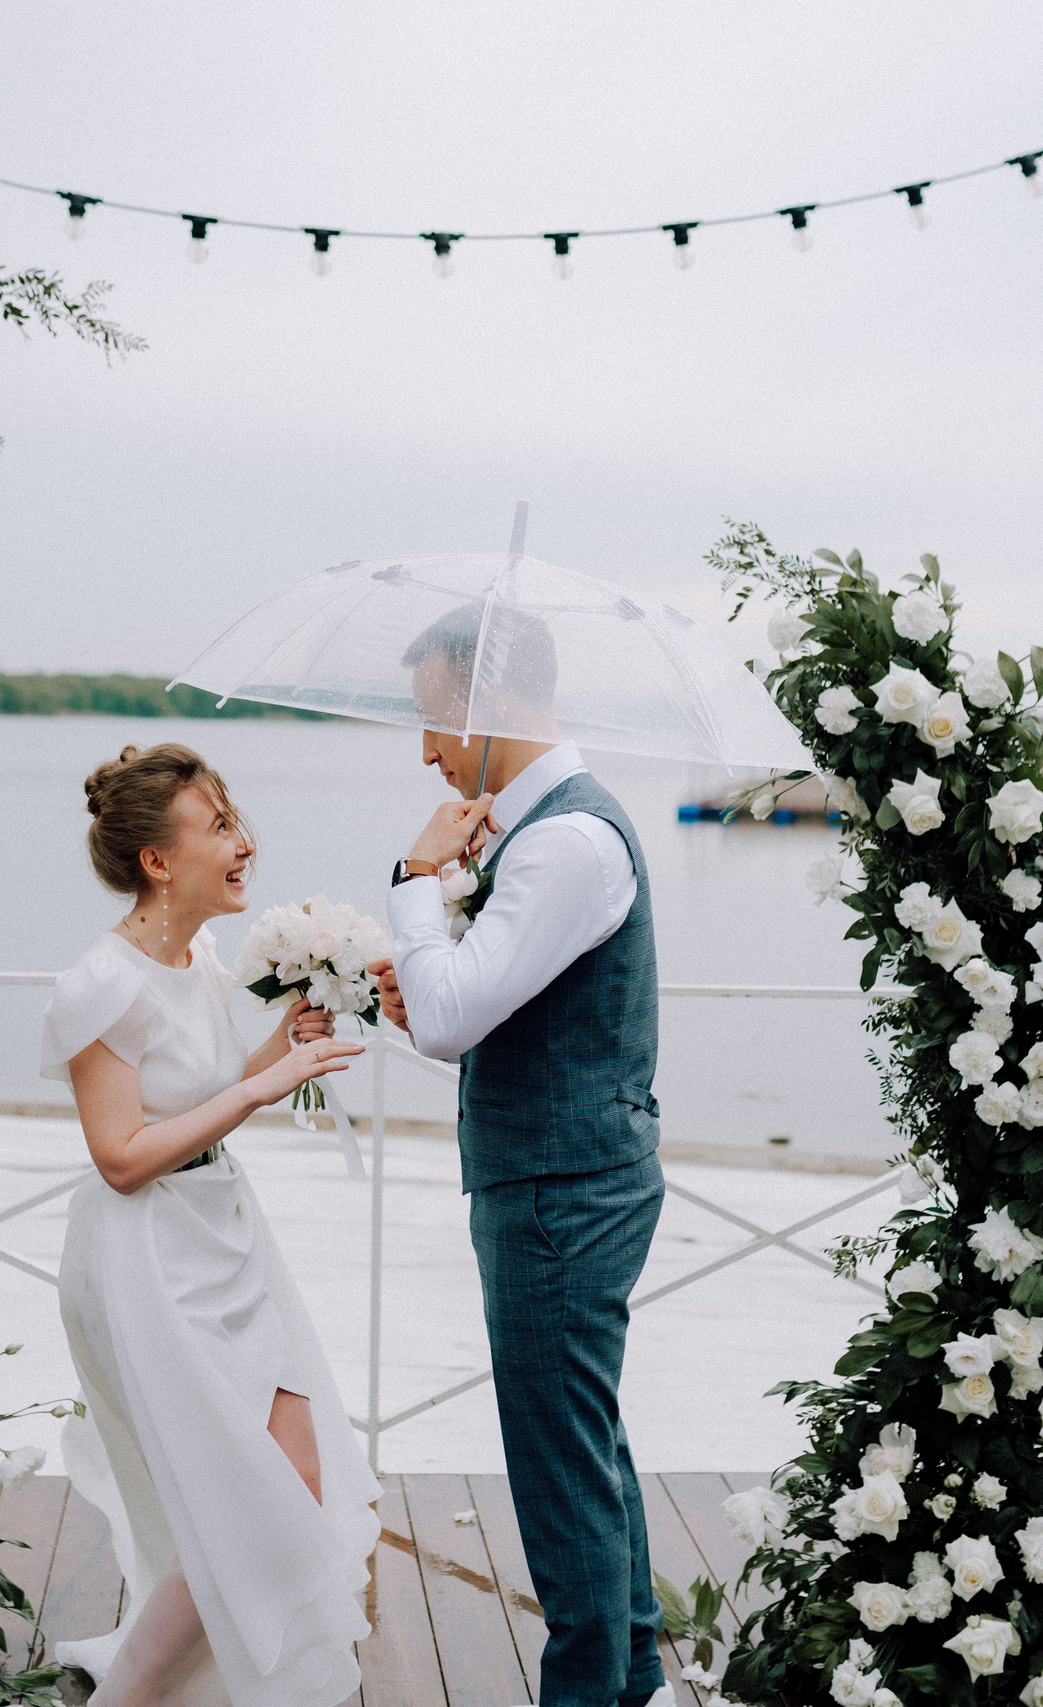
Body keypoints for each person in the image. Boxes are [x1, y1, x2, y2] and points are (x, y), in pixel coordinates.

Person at [369, 606, 668, 1707]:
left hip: (559, 1195)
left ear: (489, 700)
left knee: (557, 1475)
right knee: (583, 1446)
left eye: (435, 717)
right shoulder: (542, 831)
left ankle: (589, 1696)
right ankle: (636, 1682)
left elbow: (450, 1018)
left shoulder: (563, 842)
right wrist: (430, 981)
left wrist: (412, 880)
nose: (427, 748)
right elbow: (474, 1011)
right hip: (566, 1174)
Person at [41, 742, 380, 1707]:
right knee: (242, 1509)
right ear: (158, 860)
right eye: (219, 825)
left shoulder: (199, 960)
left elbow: (214, 1089)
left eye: (235, 820)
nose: (244, 843)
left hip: (226, 1236)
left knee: (292, 1492)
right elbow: (120, 1154)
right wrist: (263, 1086)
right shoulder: (99, 984)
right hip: (149, 1260)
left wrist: (288, 1037)